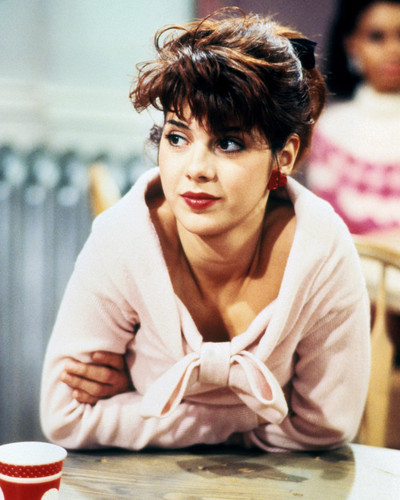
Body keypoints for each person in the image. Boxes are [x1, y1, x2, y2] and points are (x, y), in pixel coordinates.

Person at [40, 9, 370, 452]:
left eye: (228, 143)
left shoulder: (321, 251)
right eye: (177, 138)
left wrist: (145, 399)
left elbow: (327, 426)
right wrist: (254, 412)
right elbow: (64, 417)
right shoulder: (123, 238)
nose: (195, 169)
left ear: (285, 157)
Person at [306, 0, 400, 235]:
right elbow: (327, 229)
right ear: (352, 45)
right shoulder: (329, 130)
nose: (393, 49)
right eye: (377, 37)